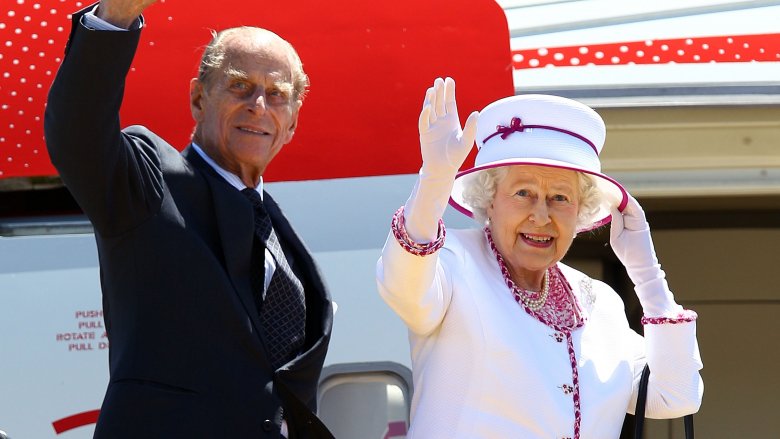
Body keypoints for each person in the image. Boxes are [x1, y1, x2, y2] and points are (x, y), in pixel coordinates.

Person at [44, 1, 334, 438]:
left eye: (277, 94)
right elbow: (77, 132)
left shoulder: (282, 237)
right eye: (240, 86)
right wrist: (116, 17)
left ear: (291, 123)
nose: (259, 105)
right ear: (199, 98)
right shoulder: (148, 183)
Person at [376, 77, 703, 438]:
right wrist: (434, 180)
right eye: (524, 193)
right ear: (489, 199)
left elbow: (676, 396)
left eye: (560, 198)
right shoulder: (453, 261)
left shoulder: (601, 304)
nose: (542, 216)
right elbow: (402, 287)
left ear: (581, 212)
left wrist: (647, 273)